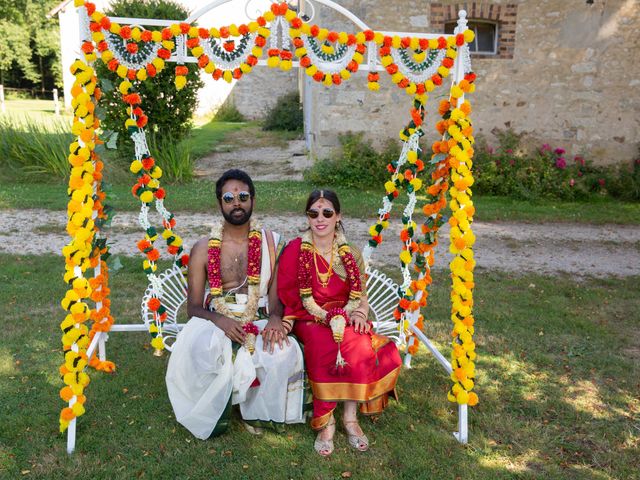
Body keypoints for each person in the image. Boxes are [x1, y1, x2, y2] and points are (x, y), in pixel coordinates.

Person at [166, 169, 305, 439]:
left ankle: (257, 412)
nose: (236, 203)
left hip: (261, 312)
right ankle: (224, 403)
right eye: (229, 198)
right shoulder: (203, 248)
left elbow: (276, 296)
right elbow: (193, 307)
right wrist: (221, 320)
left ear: (253, 199)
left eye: (243, 196)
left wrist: (276, 318)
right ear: (220, 203)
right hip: (218, 315)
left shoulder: (272, 244)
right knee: (199, 350)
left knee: (281, 352)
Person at [277, 189, 402, 456]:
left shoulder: (350, 253)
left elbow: (361, 295)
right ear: (307, 217)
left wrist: (359, 313)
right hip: (308, 316)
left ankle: (350, 418)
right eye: (313, 213)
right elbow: (288, 293)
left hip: (345, 314)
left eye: (327, 212)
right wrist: (315, 315)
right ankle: (327, 423)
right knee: (324, 344)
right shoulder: (296, 250)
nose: (320, 219)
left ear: (338, 216)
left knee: (357, 342)